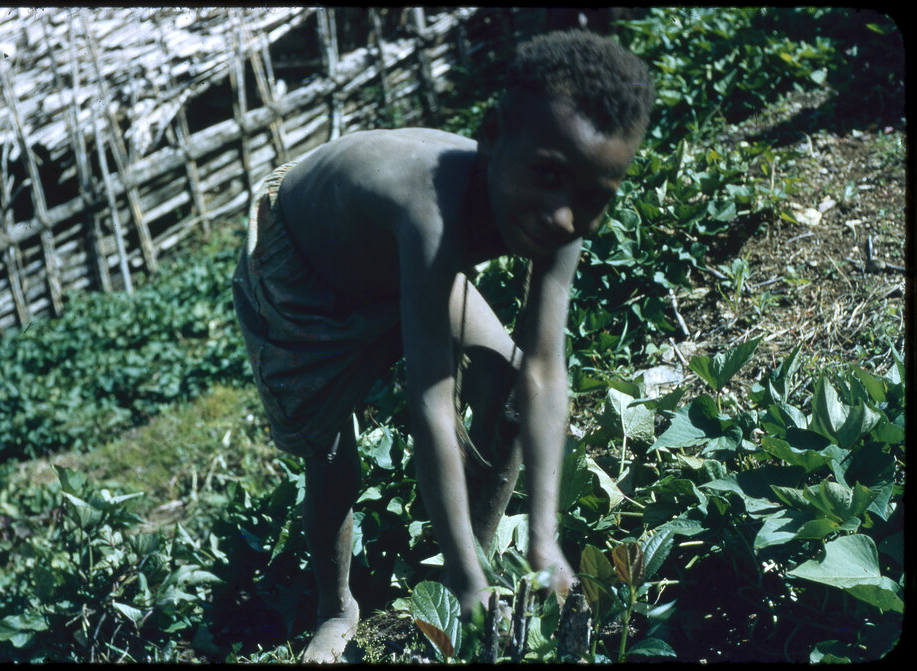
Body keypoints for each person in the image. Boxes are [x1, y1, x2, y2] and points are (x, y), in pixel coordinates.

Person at [232, 29, 654, 663]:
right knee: (332, 460)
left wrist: (544, 539)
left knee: (508, 379)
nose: (563, 217)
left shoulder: (560, 205)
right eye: (546, 175)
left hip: (402, 273)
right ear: (491, 134)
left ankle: (467, 557)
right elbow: (430, 400)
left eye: (592, 200)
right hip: (303, 275)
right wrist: (467, 581)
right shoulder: (430, 209)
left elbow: (544, 369)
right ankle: (336, 606)